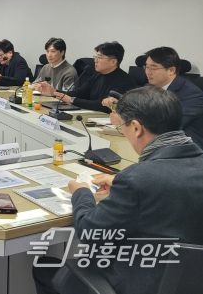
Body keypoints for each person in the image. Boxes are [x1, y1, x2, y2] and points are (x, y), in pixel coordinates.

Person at [34, 86, 203, 294]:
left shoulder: (136, 179)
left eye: (122, 126)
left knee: (44, 268)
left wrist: (81, 192)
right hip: (190, 282)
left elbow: (89, 231)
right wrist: (121, 182)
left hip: (138, 282)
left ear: (136, 128)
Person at [102, 47, 203, 148]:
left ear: (171, 70)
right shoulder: (150, 87)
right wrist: (118, 104)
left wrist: (123, 120)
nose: (148, 72)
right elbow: (137, 106)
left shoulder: (192, 95)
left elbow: (168, 127)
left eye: (153, 68)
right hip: (154, 143)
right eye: (146, 67)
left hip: (184, 148)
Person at [37, 42, 136, 113]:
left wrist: (72, 100)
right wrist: (54, 92)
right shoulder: (97, 74)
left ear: (113, 62)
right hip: (91, 115)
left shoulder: (124, 81)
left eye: (99, 57)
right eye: (95, 57)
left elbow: (103, 105)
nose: (95, 61)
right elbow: (80, 93)